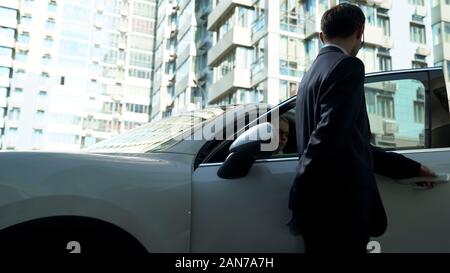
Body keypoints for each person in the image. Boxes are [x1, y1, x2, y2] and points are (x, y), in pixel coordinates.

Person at [288, 3, 437, 253]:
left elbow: (345, 140)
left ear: (322, 36)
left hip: (317, 211)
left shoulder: (309, 76)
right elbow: (329, 137)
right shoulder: (348, 66)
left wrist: (411, 168)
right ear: (360, 31)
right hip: (339, 211)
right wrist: (299, 185)